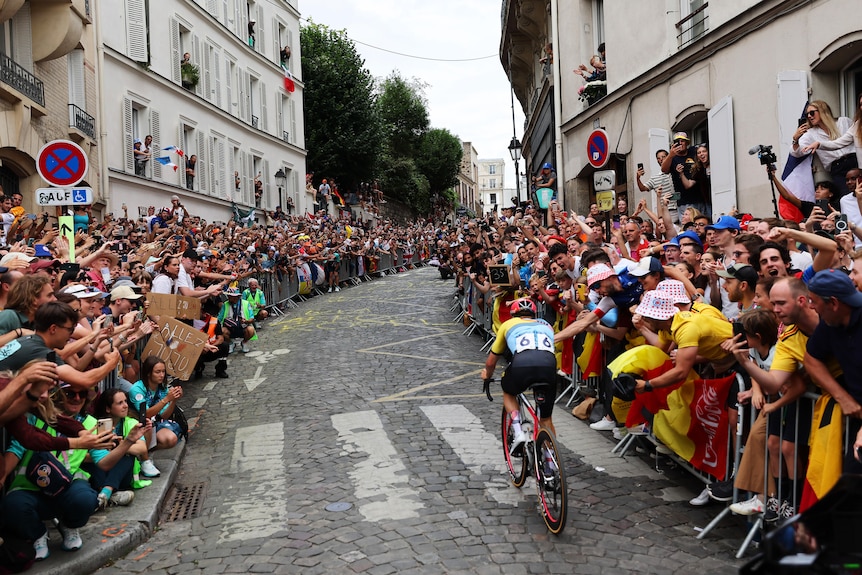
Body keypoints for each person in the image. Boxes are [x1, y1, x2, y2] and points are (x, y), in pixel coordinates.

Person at [481, 298, 557, 452]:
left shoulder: (507, 324)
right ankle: (550, 461)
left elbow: (491, 361)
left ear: (513, 314)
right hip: (548, 365)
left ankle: (518, 431)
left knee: (509, 392)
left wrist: (487, 375)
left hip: (522, 364)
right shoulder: (546, 324)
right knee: (546, 418)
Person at [66, 387, 150, 509]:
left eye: (126, 401)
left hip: (120, 475)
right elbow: (88, 457)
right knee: (93, 462)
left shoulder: (130, 422)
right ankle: (109, 495)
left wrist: (121, 447)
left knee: (126, 455)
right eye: (120, 403)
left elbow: (142, 449)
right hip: (99, 472)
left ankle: (106, 491)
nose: (125, 406)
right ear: (108, 408)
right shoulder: (96, 424)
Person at [128, 356, 184, 479]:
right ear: (148, 373)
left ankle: (145, 453)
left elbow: (164, 415)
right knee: (147, 422)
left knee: (170, 439)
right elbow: (146, 414)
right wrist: (166, 400)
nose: (161, 375)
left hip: (156, 423)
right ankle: (144, 459)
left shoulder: (162, 387)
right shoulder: (137, 389)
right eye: (157, 372)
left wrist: (173, 400)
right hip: (138, 424)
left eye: (163, 371)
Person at [792, 100, 857, 198]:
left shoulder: (843, 121)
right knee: (847, 198)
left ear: (822, 111)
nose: (809, 116)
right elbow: (797, 153)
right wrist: (795, 139)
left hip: (854, 162)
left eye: (812, 112)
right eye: (807, 114)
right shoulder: (811, 133)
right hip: (837, 168)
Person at [218, 287, 256, 353]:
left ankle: (244, 342)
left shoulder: (246, 303)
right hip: (230, 328)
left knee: (251, 330)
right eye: (228, 296)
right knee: (222, 330)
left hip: (243, 327)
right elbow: (219, 318)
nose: (228, 298)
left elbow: (252, 318)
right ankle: (230, 343)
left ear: (237, 297)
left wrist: (246, 321)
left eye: (230, 296)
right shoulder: (225, 304)